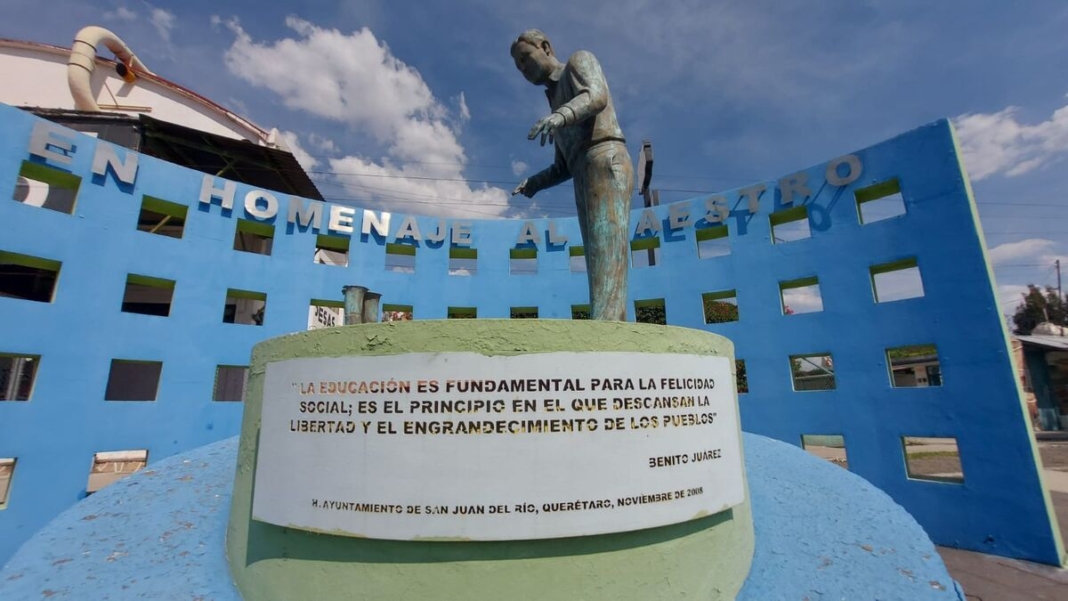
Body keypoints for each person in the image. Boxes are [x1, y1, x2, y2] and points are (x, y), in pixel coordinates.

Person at [511, 29, 634, 321]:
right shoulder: (555, 103)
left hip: (605, 158)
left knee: (606, 255)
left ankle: (607, 332)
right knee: (597, 260)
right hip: (582, 172)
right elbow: (563, 165)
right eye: (518, 66)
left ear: (545, 47)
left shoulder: (579, 61)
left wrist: (560, 116)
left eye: (525, 58)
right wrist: (535, 183)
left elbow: (596, 95)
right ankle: (606, 327)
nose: (523, 68)